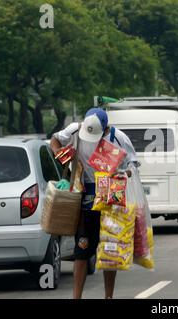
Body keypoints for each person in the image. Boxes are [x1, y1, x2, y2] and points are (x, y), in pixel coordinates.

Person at [50, 108, 137, 299]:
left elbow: (133, 164)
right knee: (81, 250)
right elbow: (54, 140)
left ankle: (108, 296)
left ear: (105, 129)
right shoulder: (75, 130)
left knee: (108, 252)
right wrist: (60, 154)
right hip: (85, 198)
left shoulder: (118, 137)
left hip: (111, 199)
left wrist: (124, 173)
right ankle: (76, 297)